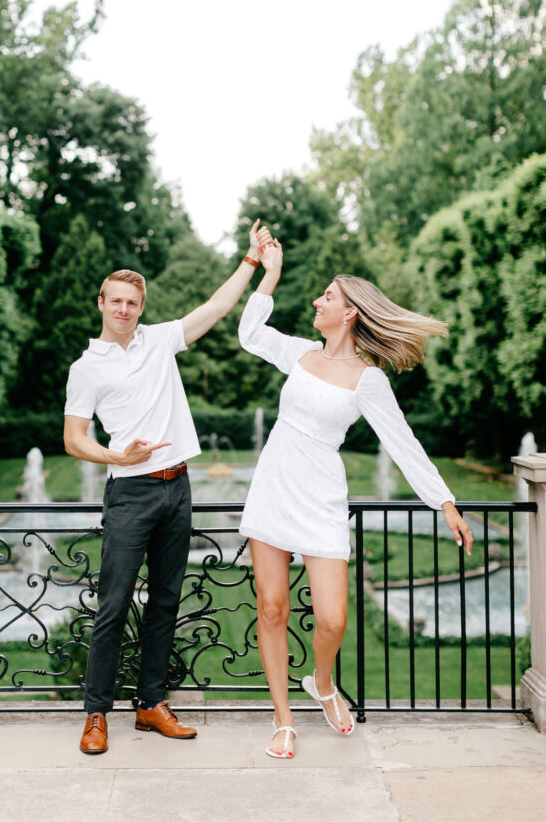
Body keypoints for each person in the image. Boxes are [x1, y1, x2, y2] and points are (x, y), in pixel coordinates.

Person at [237, 239, 473, 759]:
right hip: (274, 489)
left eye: (327, 296)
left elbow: (403, 445)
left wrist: (445, 503)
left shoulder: (368, 380)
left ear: (350, 312)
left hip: (321, 498)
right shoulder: (297, 352)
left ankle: (321, 683)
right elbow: (249, 332)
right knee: (271, 608)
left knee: (333, 619)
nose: (317, 302)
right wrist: (269, 271)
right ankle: (283, 721)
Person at [63, 221, 271, 755]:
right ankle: (95, 715)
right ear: (102, 303)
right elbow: (72, 439)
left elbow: (216, 308)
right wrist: (116, 456)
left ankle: (151, 704)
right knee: (112, 606)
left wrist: (249, 261)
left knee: (165, 601)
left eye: (133, 303)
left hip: (177, 489)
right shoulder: (86, 367)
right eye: (116, 301)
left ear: (141, 306)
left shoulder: (159, 340)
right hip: (129, 494)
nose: (125, 310)